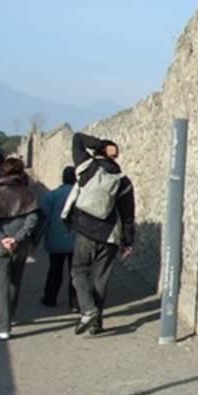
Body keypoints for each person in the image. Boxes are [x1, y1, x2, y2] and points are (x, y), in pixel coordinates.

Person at [65, 132, 135, 336]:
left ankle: (88, 310)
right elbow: (128, 214)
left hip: (86, 229)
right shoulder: (123, 180)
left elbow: (77, 138)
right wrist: (128, 241)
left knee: (78, 271)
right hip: (110, 235)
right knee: (100, 279)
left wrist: (101, 145)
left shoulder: (86, 166)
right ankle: (97, 323)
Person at [0, 157, 40, 340]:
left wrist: (3, 238)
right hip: (20, 246)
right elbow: (32, 220)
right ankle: (9, 318)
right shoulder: (28, 194)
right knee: (15, 282)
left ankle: (3, 326)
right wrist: (16, 239)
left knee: (1, 284)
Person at [39, 166, 77, 310]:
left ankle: (50, 298)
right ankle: (74, 303)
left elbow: (43, 218)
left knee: (55, 270)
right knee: (75, 272)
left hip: (55, 239)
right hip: (76, 240)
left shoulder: (51, 195)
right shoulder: (80, 195)